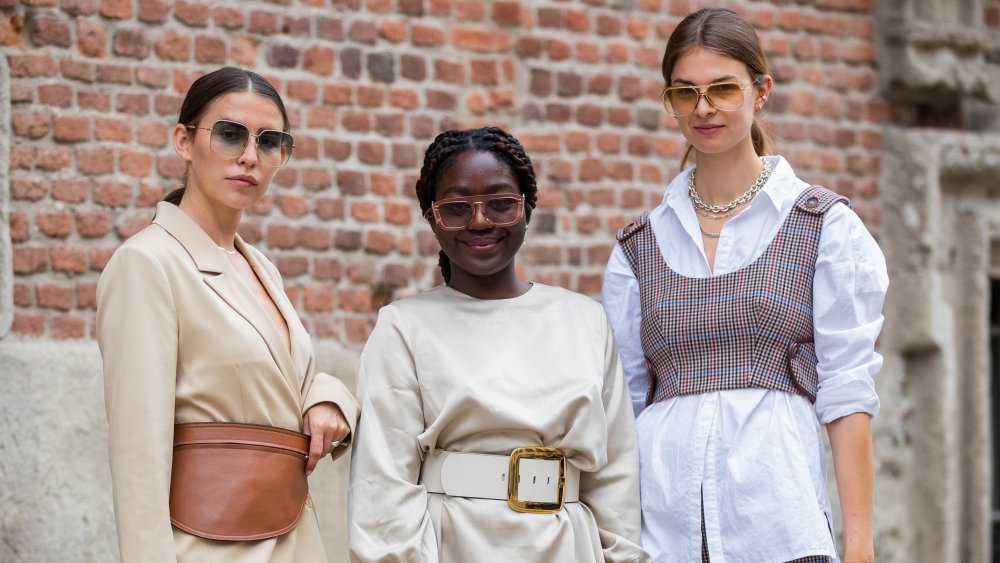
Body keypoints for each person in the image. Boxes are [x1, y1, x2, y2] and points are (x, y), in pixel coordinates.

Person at [601, 8, 887, 563]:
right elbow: (625, 409)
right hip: (663, 534)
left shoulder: (822, 225)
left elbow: (847, 392)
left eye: (723, 88)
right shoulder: (638, 247)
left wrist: (859, 546)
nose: (703, 108)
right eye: (684, 93)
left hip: (778, 524)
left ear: (761, 91)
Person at [347, 127, 649, 563]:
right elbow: (382, 485)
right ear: (432, 217)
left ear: (527, 206)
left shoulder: (584, 320)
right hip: (455, 545)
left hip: (568, 548)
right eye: (455, 208)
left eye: (501, 203)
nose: (480, 221)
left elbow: (615, 476)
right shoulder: (403, 327)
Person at [97, 66, 359, 563]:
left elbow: (285, 382)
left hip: (293, 535)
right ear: (183, 140)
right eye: (229, 134)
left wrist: (330, 398)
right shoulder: (147, 264)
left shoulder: (261, 269)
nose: (248, 156)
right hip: (207, 548)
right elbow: (137, 456)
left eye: (269, 141)